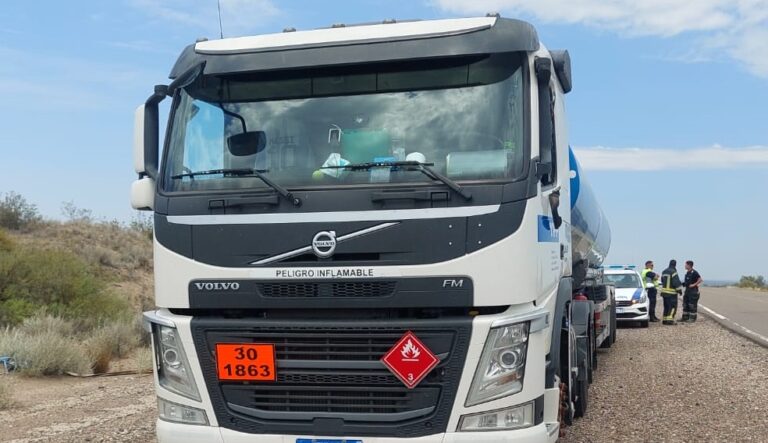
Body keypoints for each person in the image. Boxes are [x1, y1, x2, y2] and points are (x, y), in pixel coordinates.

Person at [660, 259, 683, 325]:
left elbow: (662, 281)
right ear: (675, 264)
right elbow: (676, 282)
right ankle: (670, 320)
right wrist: (679, 291)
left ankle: (664, 320)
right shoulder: (673, 271)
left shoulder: (664, 271)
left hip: (664, 293)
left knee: (666, 307)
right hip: (671, 293)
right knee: (672, 307)